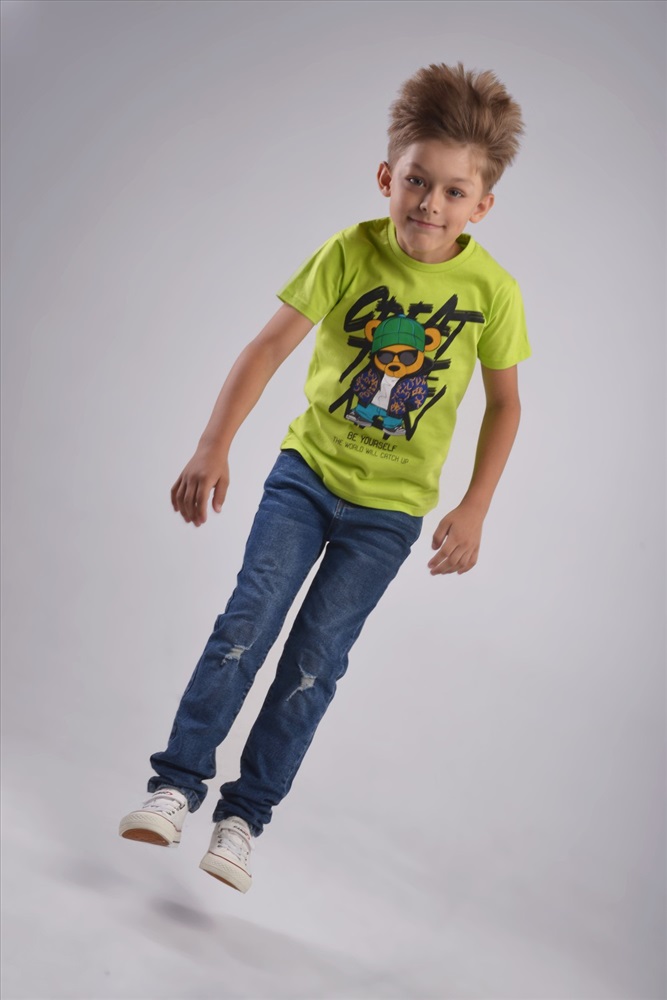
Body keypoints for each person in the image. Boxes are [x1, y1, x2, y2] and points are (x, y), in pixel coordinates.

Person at [119, 62, 531, 893]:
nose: (429, 203)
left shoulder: (492, 291)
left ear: (481, 206)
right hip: (304, 479)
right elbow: (269, 346)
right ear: (386, 176)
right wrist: (213, 445)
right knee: (246, 625)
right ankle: (174, 786)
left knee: (315, 661)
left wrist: (476, 505)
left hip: (389, 515)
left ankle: (242, 820)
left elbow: (505, 404)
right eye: (416, 181)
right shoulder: (349, 251)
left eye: (453, 192)